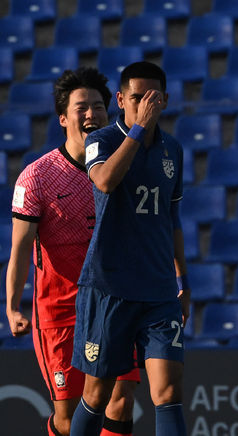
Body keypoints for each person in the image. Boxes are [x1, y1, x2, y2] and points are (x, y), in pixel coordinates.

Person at [6, 67, 140, 436]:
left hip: (114, 302)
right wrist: (13, 306)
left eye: (98, 106)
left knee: (122, 398)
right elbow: (19, 250)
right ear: (63, 118)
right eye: (81, 107)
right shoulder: (37, 177)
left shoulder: (124, 168)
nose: (91, 114)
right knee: (68, 420)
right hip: (60, 310)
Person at [68, 61, 190, 436]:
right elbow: (104, 181)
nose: (145, 104)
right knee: (97, 393)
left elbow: (173, 220)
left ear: (166, 100)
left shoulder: (173, 149)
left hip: (158, 291)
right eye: (137, 98)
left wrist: (183, 280)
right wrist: (138, 129)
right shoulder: (101, 140)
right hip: (109, 288)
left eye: (153, 97)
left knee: (167, 391)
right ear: (120, 100)